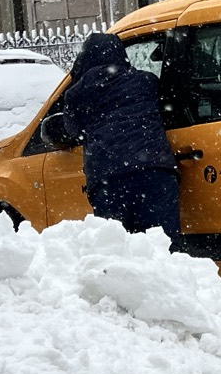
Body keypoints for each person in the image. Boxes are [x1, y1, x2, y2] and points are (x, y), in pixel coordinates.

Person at [59, 32, 181, 244]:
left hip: (110, 179)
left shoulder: (76, 93)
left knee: (115, 249)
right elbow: (169, 111)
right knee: (162, 249)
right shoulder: (146, 81)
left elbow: (72, 130)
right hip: (156, 172)